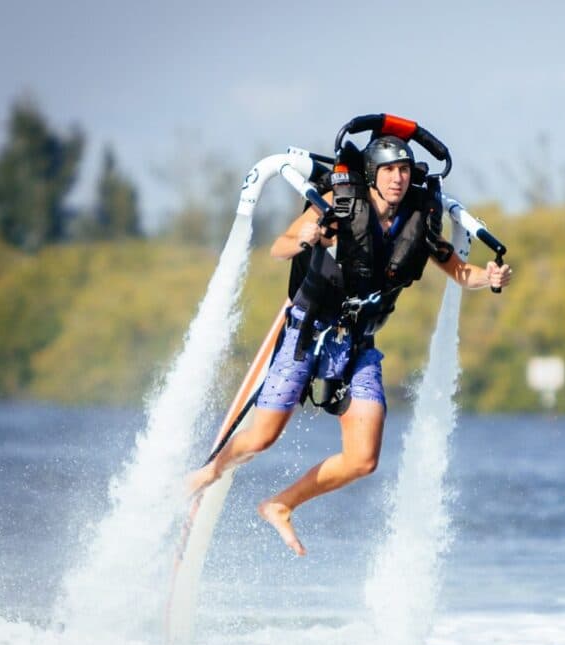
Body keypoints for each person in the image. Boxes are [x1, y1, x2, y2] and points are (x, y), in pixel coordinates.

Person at [186, 133, 512, 556]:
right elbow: (279, 248)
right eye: (389, 170)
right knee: (261, 438)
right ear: (373, 175)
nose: (398, 178)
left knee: (363, 459)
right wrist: (309, 238)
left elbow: (461, 272)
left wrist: (490, 277)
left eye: (404, 170)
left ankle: (280, 505)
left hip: (357, 344)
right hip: (309, 330)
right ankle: (206, 475)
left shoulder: (419, 218)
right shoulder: (340, 205)